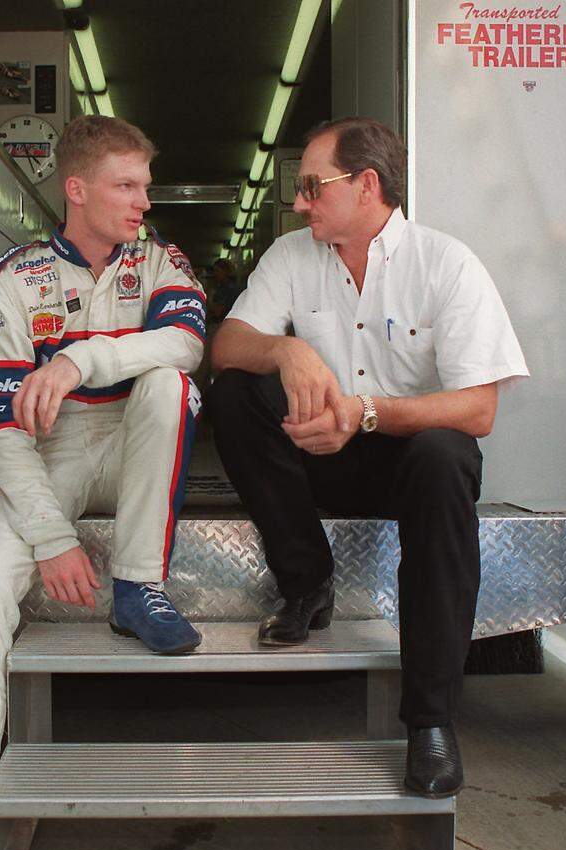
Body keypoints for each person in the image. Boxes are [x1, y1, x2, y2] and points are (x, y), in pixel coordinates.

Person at [0, 115, 206, 850]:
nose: (144, 200)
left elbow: (183, 346)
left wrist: (80, 357)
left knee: (171, 389)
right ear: (77, 189)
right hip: (51, 453)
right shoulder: (18, 276)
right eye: (126, 185)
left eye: (145, 184)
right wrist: (51, 536)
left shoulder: (161, 259)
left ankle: (137, 586)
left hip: (138, 436)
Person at [207, 116, 528, 799]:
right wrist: (287, 349)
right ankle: (307, 581)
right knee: (236, 395)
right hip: (318, 454)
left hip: (406, 466)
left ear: (367, 185)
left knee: (447, 456)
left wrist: (371, 411)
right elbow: (228, 343)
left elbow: (480, 409)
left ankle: (432, 721)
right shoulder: (294, 257)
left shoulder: (446, 263)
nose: (299, 203)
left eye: (311, 187)